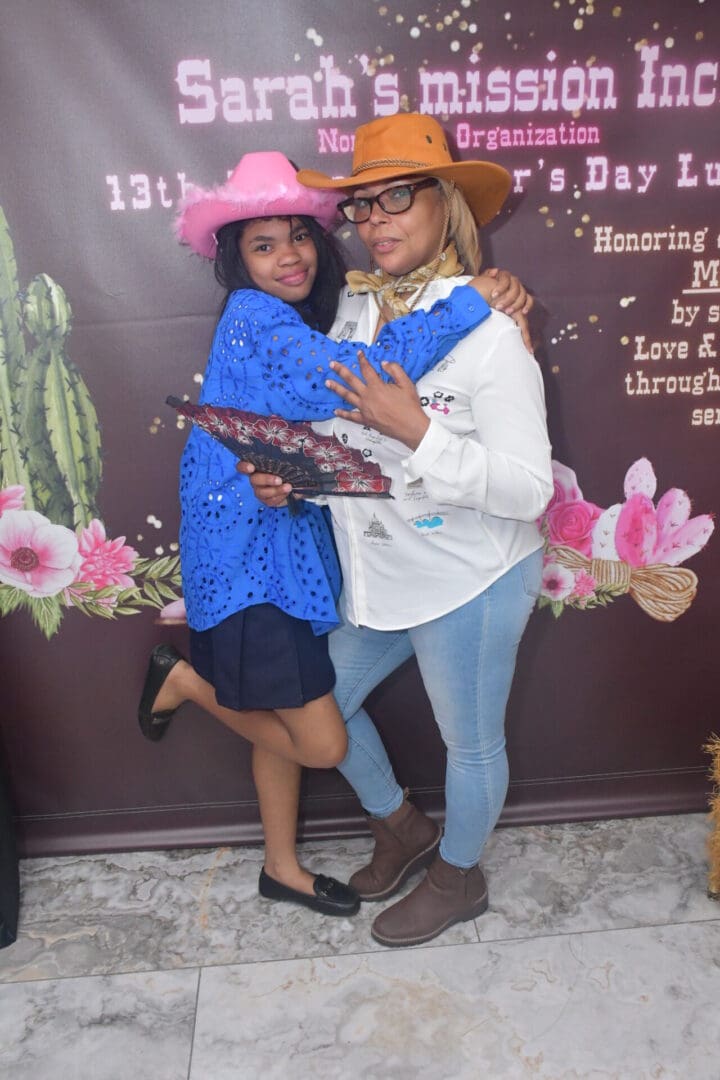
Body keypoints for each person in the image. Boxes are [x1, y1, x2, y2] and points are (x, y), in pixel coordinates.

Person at [138, 149, 529, 919]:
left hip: (397, 560)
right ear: (233, 260)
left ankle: (436, 870)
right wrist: (466, 306)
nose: (289, 255)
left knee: (437, 735)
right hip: (262, 557)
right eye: (263, 243)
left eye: (298, 237)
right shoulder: (280, 317)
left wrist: (283, 475)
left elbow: (322, 427)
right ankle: (187, 686)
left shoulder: (326, 313)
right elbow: (358, 381)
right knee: (318, 730)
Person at [243, 112, 554, 946]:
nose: (375, 219)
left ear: (445, 201)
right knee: (326, 709)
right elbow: (344, 448)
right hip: (380, 575)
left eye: (397, 197)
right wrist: (294, 483)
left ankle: (460, 875)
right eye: (362, 206)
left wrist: (420, 430)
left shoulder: (490, 329)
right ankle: (402, 828)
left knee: (470, 743)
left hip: (472, 576)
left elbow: (527, 491)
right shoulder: (345, 310)